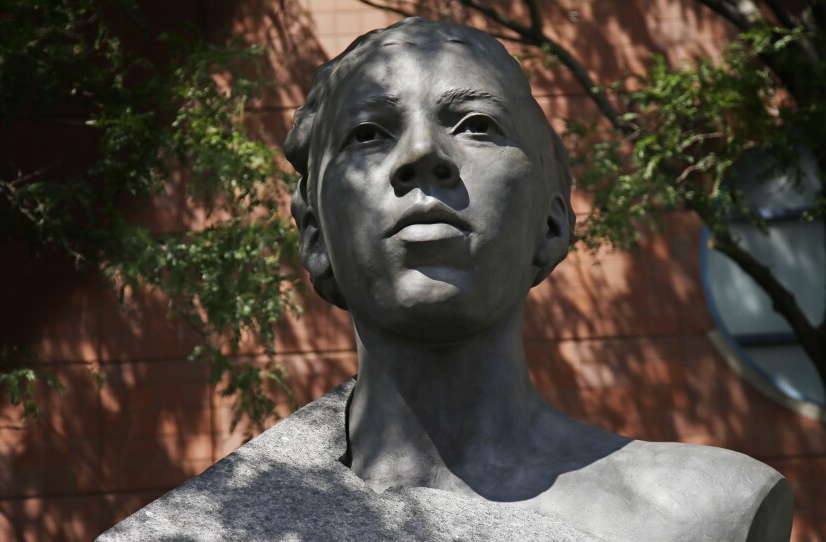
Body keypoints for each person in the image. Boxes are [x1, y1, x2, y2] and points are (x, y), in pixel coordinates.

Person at [285, 17, 792, 541]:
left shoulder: (703, 512)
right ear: (315, 236)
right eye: (367, 134)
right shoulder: (221, 518)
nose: (421, 155)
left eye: (477, 124)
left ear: (551, 224)